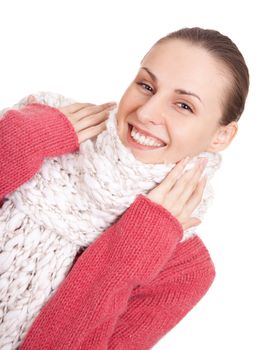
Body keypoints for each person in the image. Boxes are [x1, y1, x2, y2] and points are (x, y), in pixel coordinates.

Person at [0, 26, 249, 349]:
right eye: (146, 85)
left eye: (183, 105)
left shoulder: (185, 268)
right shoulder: (42, 134)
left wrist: (132, 249)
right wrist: (12, 147)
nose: (145, 112)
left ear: (221, 136)